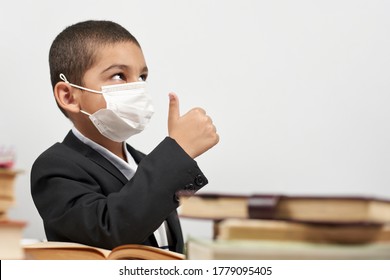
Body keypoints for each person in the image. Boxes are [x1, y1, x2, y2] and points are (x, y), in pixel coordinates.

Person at [30, 20, 219, 253]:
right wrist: (178, 151)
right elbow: (111, 230)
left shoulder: (145, 161)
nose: (137, 89)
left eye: (142, 77)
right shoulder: (54, 167)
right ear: (69, 96)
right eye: (119, 76)